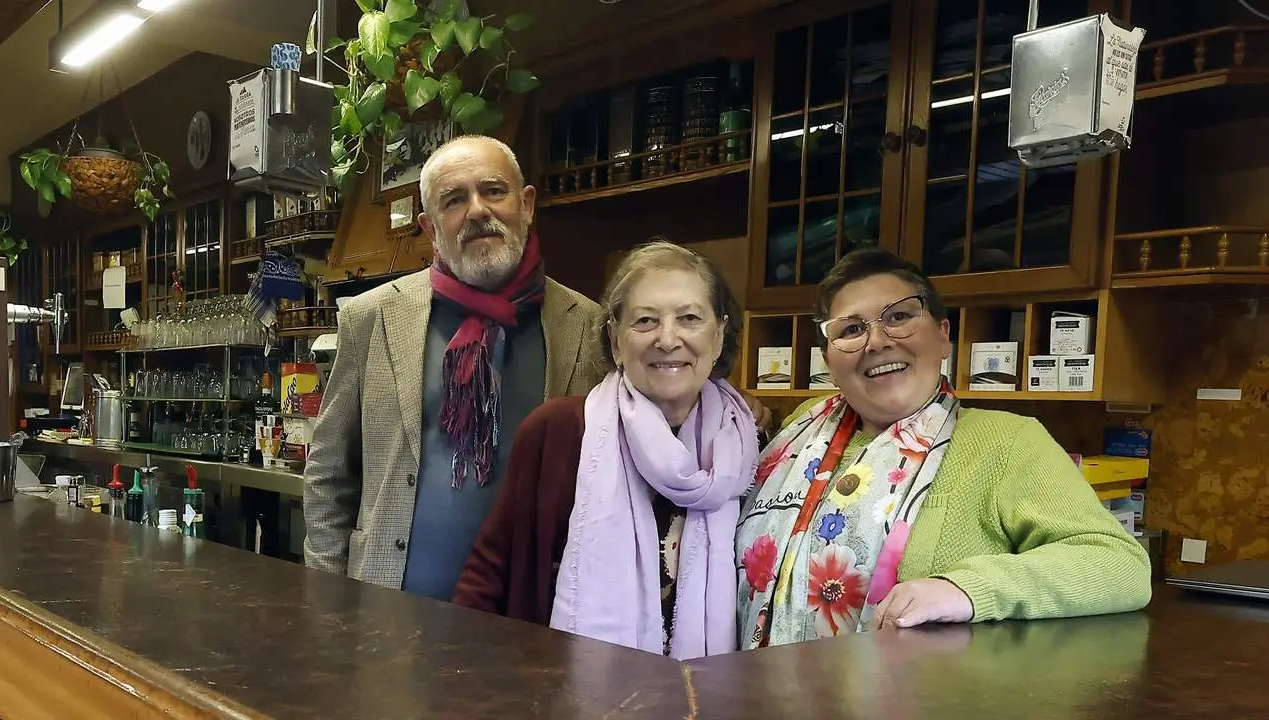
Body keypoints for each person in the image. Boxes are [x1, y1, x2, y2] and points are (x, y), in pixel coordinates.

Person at [303, 136, 770, 598]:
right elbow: (329, 472)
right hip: (388, 611)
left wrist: (725, 395)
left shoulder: (587, 324)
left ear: (526, 205)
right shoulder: (373, 318)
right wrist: (328, 599)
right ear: (429, 227)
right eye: (453, 200)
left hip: (534, 615)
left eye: (493, 190)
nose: (478, 210)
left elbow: (657, 402)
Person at [735, 247, 1151, 647]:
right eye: (851, 329)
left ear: (943, 335)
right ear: (828, 357)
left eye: (898, 317)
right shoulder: (800, 431)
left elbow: (1119, 564)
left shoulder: (1006, 442)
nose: (876, 341)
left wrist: (966, 588)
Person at [453, 240, 759, 660]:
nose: (668, 340)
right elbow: (490, 572)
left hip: (704, 697)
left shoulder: (749, 446)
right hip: (559, 690)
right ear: (615, 341)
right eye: (645, 321)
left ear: (719, 336)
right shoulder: (558, 432)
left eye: (689, 318)